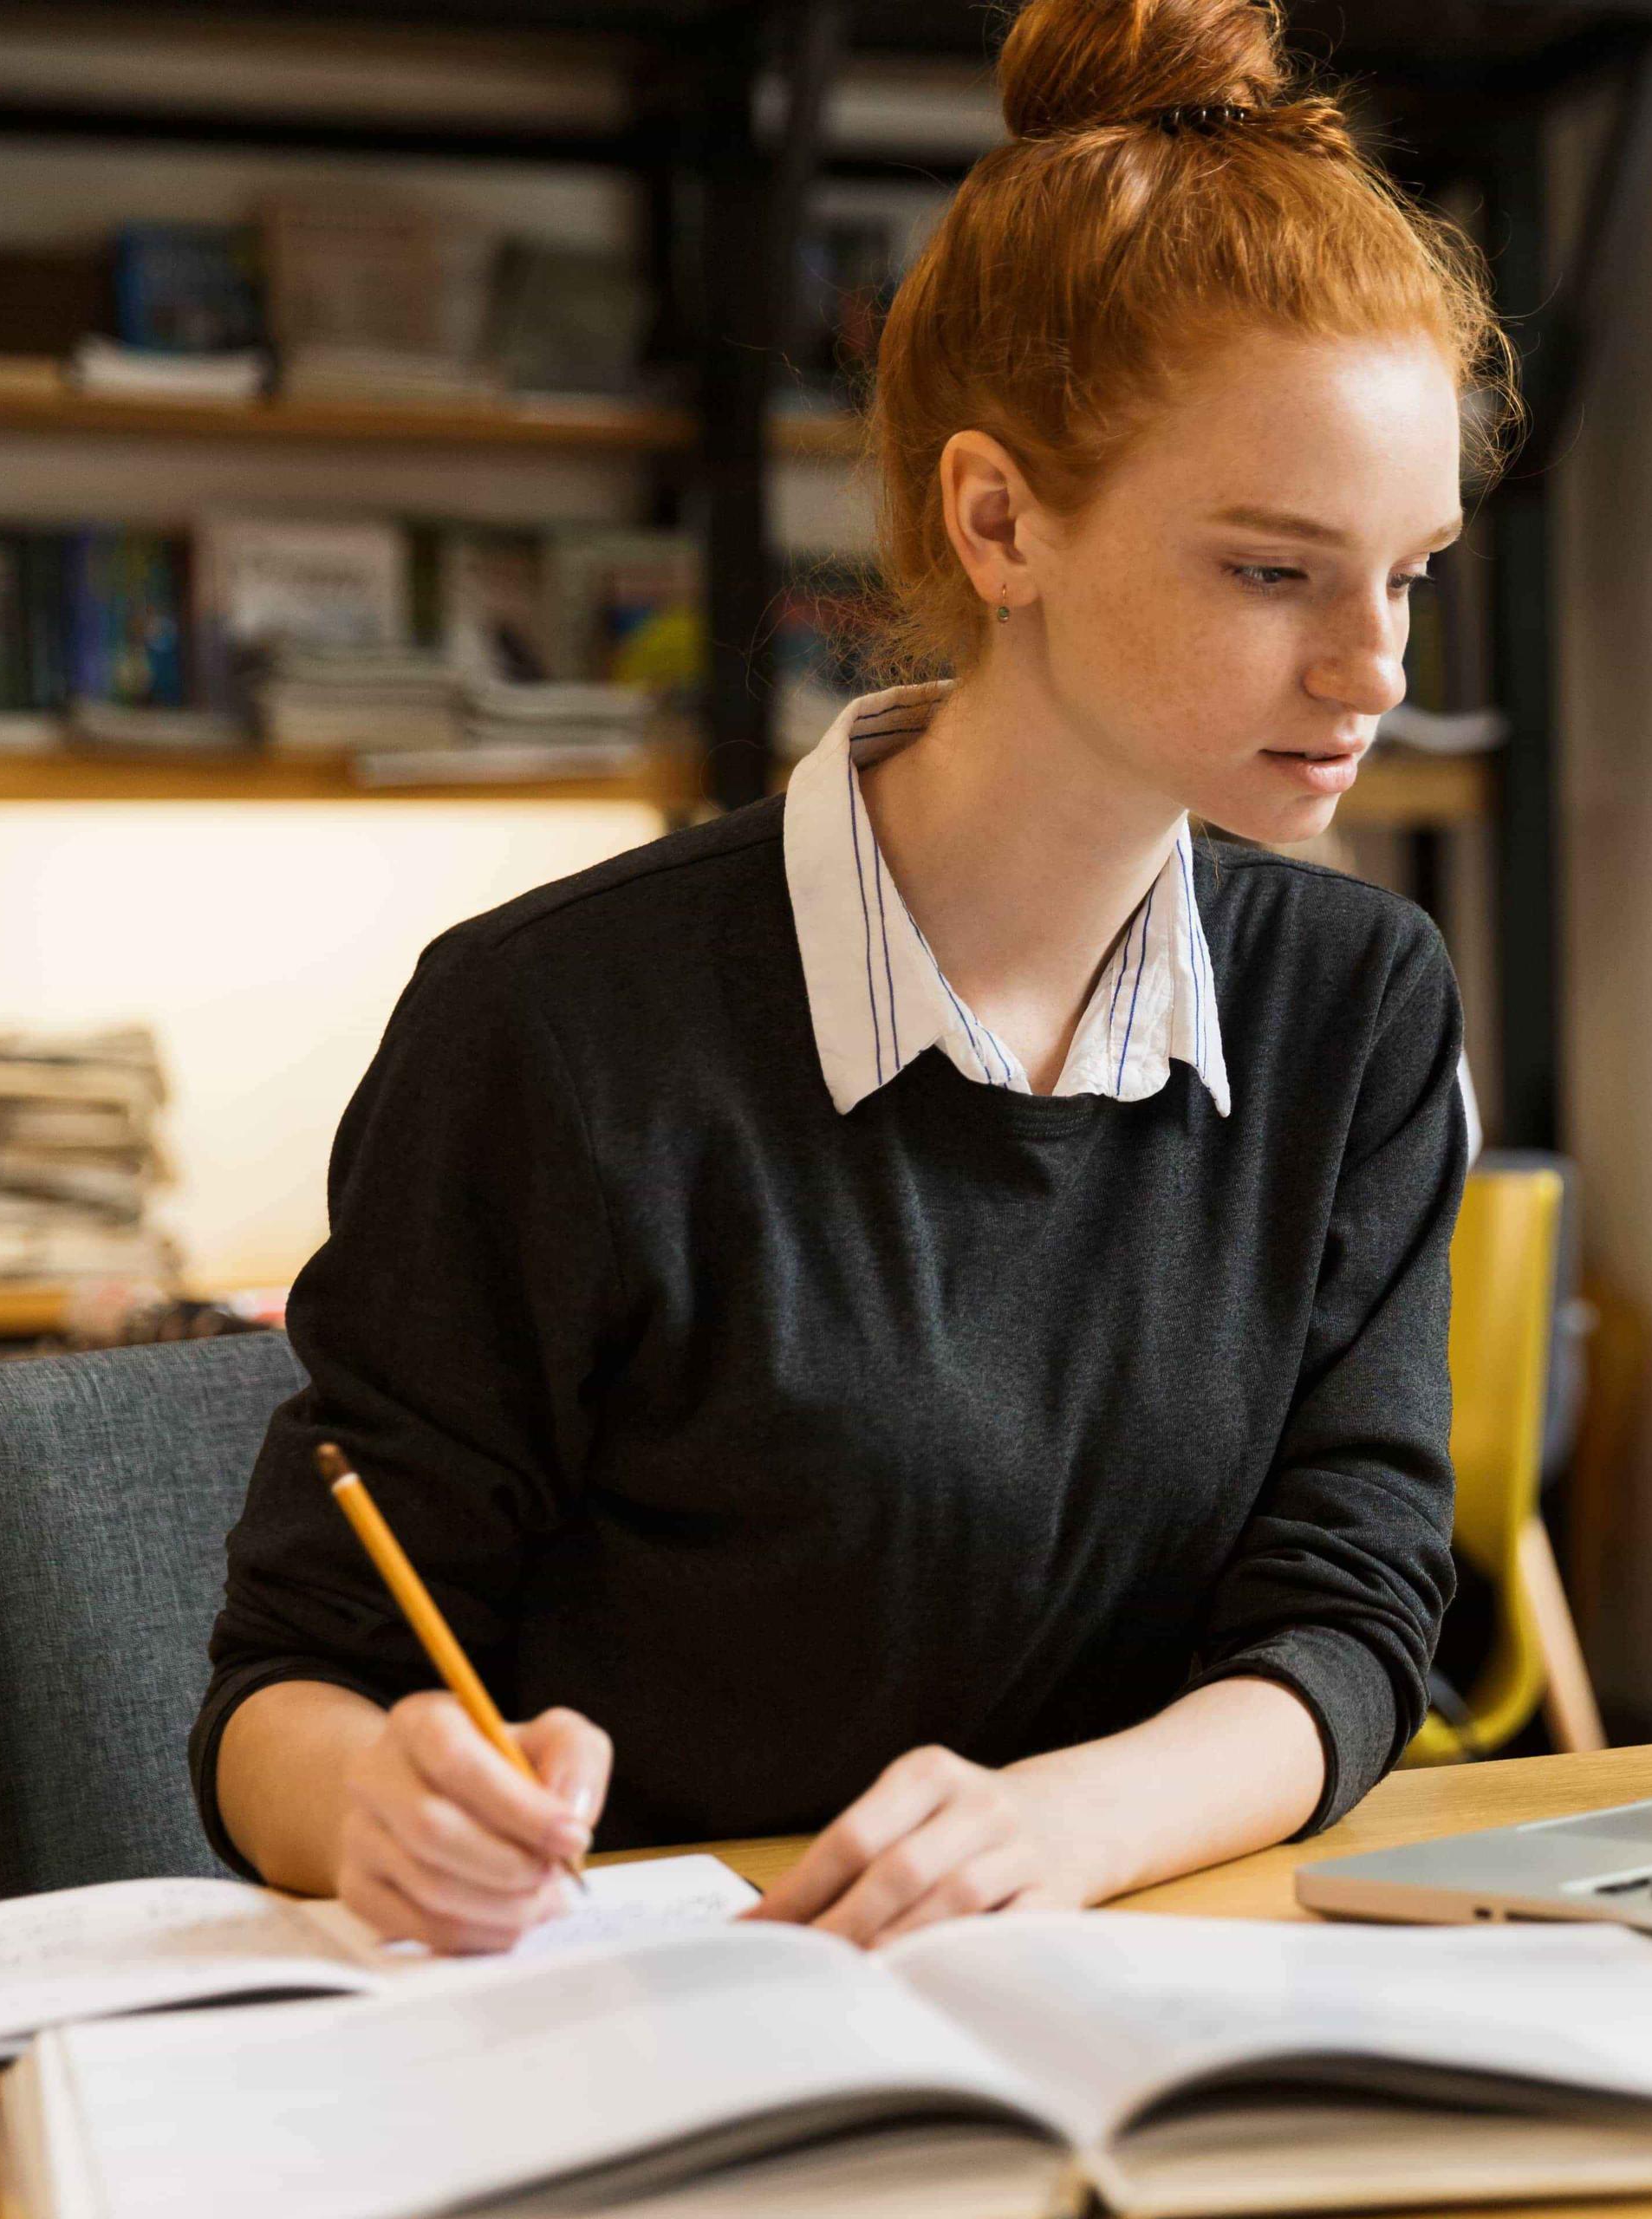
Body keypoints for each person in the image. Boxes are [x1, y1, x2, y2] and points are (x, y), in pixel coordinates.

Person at [193, 0, 1509, 1955]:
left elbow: (1352, 1610)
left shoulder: (1363, 1004)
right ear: (1000, 520)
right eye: (1272, 570)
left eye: (1407, 570)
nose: (1374, 667)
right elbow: (290, 1682)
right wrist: (376, 1796)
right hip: (672, 2020)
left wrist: (1061, 1823)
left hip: (1149, 1990)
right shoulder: (546, 1030)